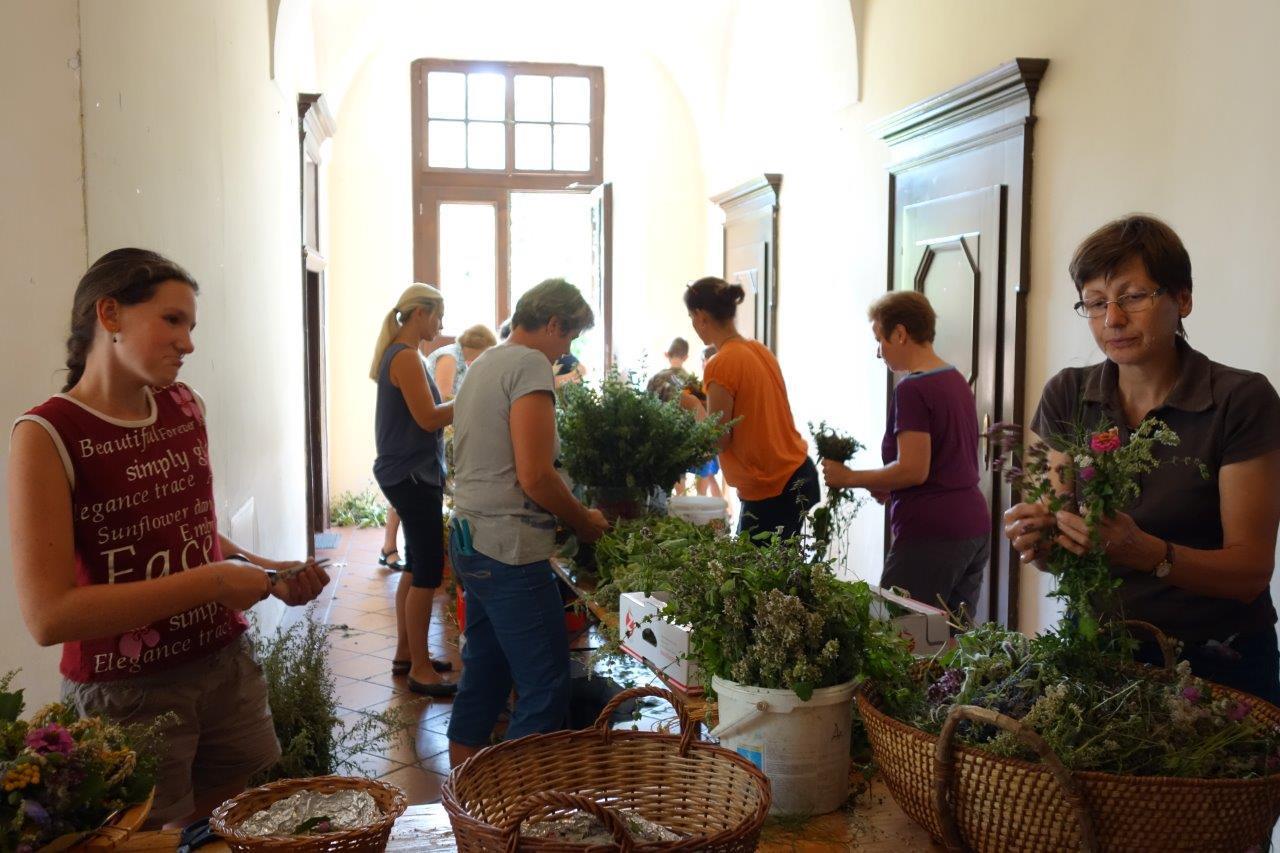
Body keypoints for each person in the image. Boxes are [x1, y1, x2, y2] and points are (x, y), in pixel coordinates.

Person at [8, 248, 329, 828]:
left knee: (228, 824)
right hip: (127, 691)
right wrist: (216, 583)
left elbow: (192, 531)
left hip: (222, 664)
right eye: (172, 320)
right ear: (109, 314)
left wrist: (269, 571)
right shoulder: (48, 434)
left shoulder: (185, 405)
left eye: (191, 326)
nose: (188, 344)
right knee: (151, 837)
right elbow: (49, 616)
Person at [1004, 215, 1280, 702]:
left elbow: (1250, 573)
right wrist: (1041, 541)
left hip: (1218, 661)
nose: (1112, 319)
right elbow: (1064, 549)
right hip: (1098, 649)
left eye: (1132, 297)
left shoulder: (1240, 400)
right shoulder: (1068, 394)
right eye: (1095, 302)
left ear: (1183, 299)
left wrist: (1147, 552)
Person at [447, 278, 610, 767]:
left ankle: (465, 794)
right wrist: (582, 521)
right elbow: (535, 475)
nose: (567, 350)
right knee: (545, 687)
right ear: (553, 323)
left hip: (470, 539)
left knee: (485, 675)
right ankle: (514, 801)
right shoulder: (529, 365)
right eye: (570, 336)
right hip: (509, 549)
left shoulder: (484, 363)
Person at [821, 291, 990, 617]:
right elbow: (943, 461)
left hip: (933, 532)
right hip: (972, 525)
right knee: (951, 639)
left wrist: (848, 478)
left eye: (879, 340)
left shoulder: (913, 389)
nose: (878, 352)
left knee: (896, 632)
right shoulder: (955, 379)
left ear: (900, 333)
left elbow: (914, 469)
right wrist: (889, 483)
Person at [370, 284, 456, 696]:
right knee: (427, 572)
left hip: (408, 473)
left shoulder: (405, 355)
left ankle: (407, 653)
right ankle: (421, 669)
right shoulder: (404, 357)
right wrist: (472, 399)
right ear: (420, 313)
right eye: (438, 315)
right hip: (411, 474)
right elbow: (427, 418)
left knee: (415, 565)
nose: (441, 324)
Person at [684, 277, 817, 541]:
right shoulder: (758, 350)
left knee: (750, 566)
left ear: (700, 316)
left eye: (691, 317)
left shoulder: (720, 363)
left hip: (773, 487)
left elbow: (718, 439)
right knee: (774, 563)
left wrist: (693, 405)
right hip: (798, 473)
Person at [647, 368, 723, 497]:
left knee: (697, 488)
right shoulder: (689, 401)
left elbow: (710, 440)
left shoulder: (691, 402)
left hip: (691, 444)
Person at [425, 324, 498, 401]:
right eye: (487, 351)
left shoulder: (461, 358)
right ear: (480, 346)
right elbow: (444, 397)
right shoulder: (449, 357)